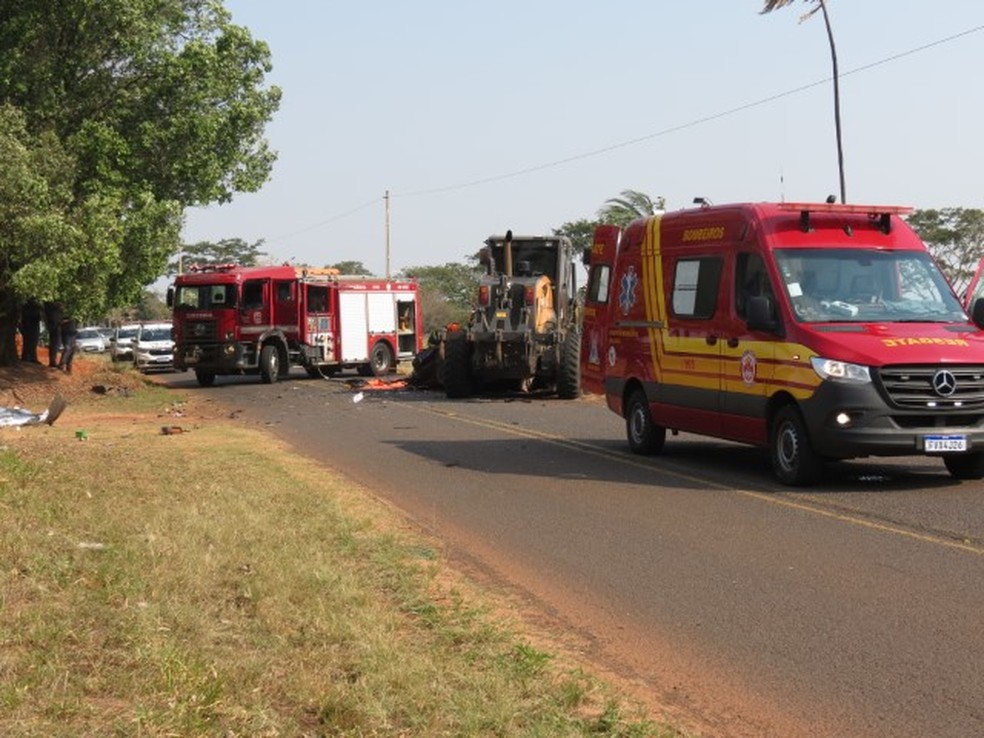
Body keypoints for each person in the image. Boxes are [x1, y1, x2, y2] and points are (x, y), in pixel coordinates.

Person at [43, 301, 63, 368]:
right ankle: (52, 362)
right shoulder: (54, 311)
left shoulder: (50, 310)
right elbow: (57, 320)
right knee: (55, 345)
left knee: (54, 345)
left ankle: (53, 361)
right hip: (55, 328)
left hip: (54, 327)